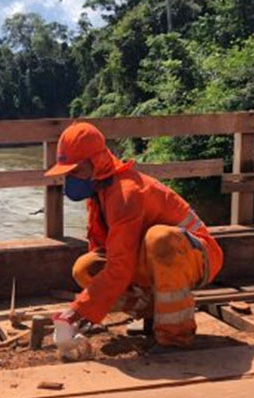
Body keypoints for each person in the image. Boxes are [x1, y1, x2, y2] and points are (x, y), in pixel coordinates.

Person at [43, 122, 223, 359]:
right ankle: (153, 315)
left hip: (199, 256)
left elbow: (121, 267)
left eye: (75, 171)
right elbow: (106, 251)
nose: (70, 178)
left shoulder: (126, 194)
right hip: (156, 258)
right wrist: (90, 310)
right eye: (68, 173)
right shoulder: (100, 192)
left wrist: (78, 310)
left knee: (161, 239)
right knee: (87, 268)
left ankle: (175, 338)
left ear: (96, 163)